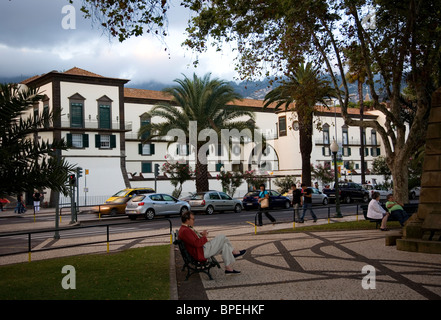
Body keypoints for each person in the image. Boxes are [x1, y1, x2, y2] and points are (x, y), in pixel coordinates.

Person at [178, 211, 246, 275]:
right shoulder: (185, 231)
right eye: (193, 219)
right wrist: (204, 236)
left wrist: (201, 235)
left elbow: (193, 240)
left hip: (202, 249)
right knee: (222, 237)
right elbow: (196, 243)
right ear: (187, 220)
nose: (194, 220)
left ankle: (228, 268)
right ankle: (234, 252)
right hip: (201, 252)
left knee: (224, 245)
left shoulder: (185, 228)